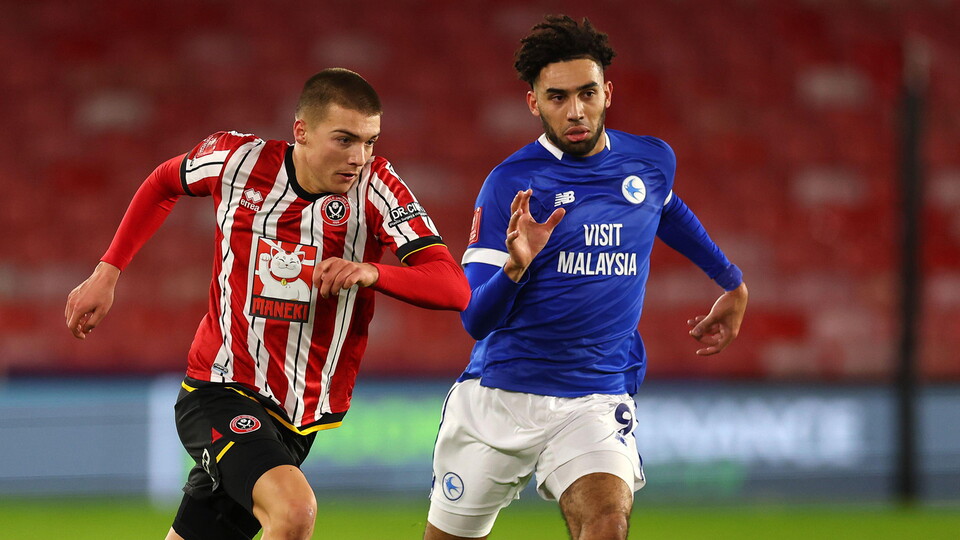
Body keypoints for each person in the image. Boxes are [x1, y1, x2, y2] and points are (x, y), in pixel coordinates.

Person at [64, 68, 471, 540]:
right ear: (301, 131)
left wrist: (374, 271)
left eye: (370, 142)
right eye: (344, 140)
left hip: (299, 417)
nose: (359, 157)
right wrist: (107, 271)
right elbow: (163, 182)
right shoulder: (237, 161)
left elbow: (452, 286)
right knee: (294, 511)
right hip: (219, 388)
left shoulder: (377, 189)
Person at [424, 15, 748, 540]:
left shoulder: (650, 161)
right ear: (534, 103)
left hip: (594, 396)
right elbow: (475, 320)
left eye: (587, 92)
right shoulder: (511, 184)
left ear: (607, 92)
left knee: (606, 524)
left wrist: (731, 282)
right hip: (500, 396)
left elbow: (669, 210)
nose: (575, 111)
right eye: (556, 97)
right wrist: (515, 267)